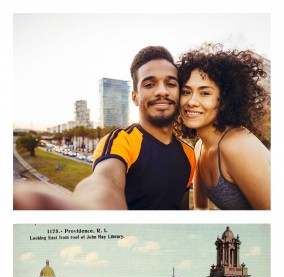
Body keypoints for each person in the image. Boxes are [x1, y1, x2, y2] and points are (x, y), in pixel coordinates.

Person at [14, 46, 196, 210]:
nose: (162, 91)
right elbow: (104, 181)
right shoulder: (120, 141)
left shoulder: (189, 154)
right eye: (149, 84)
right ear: (135, 97)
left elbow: (180, 208)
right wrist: (91, 209)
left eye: (171, 83)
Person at [176, 45, 271, 210]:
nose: (191, 101)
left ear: (224, 100)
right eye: (186, 92)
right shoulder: (199, 148)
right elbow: (201, 209)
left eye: (205, 93)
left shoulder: (239, 145)